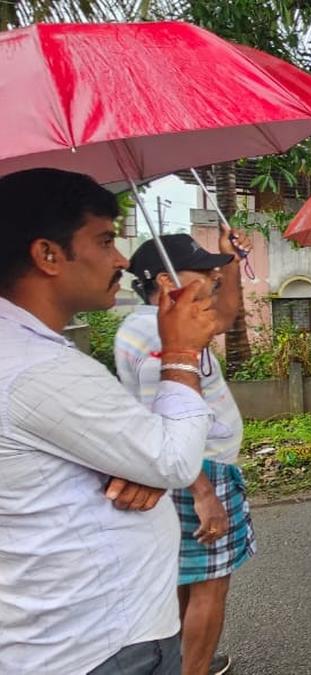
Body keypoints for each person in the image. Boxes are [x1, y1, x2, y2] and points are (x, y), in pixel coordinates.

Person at [0, 168, 218, 673]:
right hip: (101, 643)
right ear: (47, 255)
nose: (121, 259)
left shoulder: (34, 358)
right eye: (103, 241)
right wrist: (181, 354)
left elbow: (144, 453)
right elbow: (172, 458)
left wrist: (145, 463)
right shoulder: (39, 369)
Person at [116, 233, 256, 675]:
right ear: (166, 280)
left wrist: (231, 259)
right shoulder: (156, 337)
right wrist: (202, 491)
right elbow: (163, 423)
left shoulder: (167, 321)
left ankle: (182, 663)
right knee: (210, 586)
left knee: (187, 579)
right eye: (203, 270)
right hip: (198, 473)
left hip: (196, 469)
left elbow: (229, 313)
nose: (213, 275)